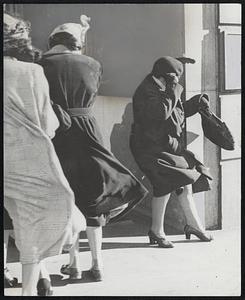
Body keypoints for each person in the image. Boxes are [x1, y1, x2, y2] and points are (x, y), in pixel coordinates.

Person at [39, 15, 148, 281]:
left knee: (68, 198)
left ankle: (73, 263)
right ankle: (97, 264)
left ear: (54, 41)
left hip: (56, 132)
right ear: (77, 44)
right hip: (88, 130)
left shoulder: (39, 65)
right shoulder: (93, 64)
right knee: (93, 198)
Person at [4, 13, 85, 296]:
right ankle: (30, 289)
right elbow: (48, 123)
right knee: (31, 224)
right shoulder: (31, 72)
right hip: (25, 158)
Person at [130, 56, 213, 248]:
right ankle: (157, 231)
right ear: (163, 77)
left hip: (166, 146)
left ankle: (193, 225)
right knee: (165, 184)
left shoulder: (162, 88)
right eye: (173, 78)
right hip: (148, 147)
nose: (176, 82)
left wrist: (196, 103)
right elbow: (161, 113)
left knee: (184, 182)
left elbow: (176, 113)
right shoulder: (146, 91)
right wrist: (174, 88)